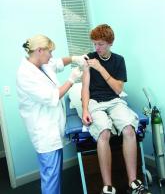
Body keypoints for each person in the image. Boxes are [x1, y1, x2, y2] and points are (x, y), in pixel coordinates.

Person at [81, 24, 151, 194]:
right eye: (94, 44)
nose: (96, 48)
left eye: (101, 44)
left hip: (114, 100)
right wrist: (84, 110)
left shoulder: (119, 60)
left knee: (128, 129)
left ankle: (133, 182)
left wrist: (100, 68)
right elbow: (85, 88)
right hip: (95, 102)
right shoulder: (89, 59)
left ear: (110, 43)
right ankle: (108, 187)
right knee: (104, 132)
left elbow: (118, 90)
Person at [16, 34, 88, 194]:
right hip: (44, 133)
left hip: (53, 129)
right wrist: (71, 79)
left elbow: (59, 63)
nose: (52, 55)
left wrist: (75, 58)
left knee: (54, 174)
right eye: (50, 52)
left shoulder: (41, 64)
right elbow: (53, 97)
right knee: (51, 176)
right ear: (40, 50)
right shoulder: (25, 75)